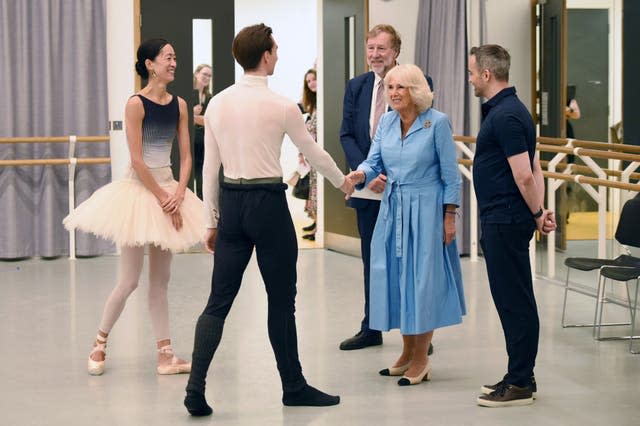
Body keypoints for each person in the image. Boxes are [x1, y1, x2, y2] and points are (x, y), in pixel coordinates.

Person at [183, 23, 354, 417]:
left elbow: (210, 169)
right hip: (268, 206)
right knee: (281, 301)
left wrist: (211, 220)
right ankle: (293, 386)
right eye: (275, 49)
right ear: (265, 55)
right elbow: (313, 152)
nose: (277, 55)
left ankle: (195, 389)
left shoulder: (218, 104)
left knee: (217, 302)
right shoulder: (282, 105)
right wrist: (344, 182)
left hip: (232, 205)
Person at [63, 39, 204, 376]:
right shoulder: (135, 104)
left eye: (175, 57)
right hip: (140, 193)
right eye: (167, 57)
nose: (173, 62)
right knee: (129, 280)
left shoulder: (180, 105)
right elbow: (137, 160)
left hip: (170, 191)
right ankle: (99, 343)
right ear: (149, 64)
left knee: (161, 281)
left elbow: (186, 155)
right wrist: (162, 197)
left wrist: (180, 193)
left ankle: (165, 355)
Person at [347, 64, 465, 386]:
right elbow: (374, 162)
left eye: (401, 87)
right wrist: (360, 175)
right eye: (390, 87)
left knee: (421, 282)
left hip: (426, 208)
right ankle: (406, 351)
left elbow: (450, 174)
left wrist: (449, 216)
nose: (394, 93)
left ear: (415, 90)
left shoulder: (436, 123)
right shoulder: (386, 121)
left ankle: (422, 358)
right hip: (393, 208)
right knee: (397, 279)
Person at [467, 44, 556, 407]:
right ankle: (519, 373)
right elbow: (534, 168)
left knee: (514, 301)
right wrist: (540, 208)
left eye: (472, 72)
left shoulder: (505, 116)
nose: (471, 79)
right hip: (506, 217)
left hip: (506, 218)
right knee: (512, 299)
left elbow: (523, 175)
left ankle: (520, 381)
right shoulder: (512, 111)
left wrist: (537, 214)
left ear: (487, 75)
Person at [339, 24, 434, 352]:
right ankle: (372, 327)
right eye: (371, 48)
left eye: (382, 48)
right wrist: (369, 172)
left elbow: (422, 136)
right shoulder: (356, 86)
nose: (375, 54)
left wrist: (389, 173)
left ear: (396, 52)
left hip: (405, 188)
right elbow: (346, 135)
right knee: (372, 259)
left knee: (409, 259)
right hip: (368, 189)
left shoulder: (417, 83)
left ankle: (418, 333)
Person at [298, 68, 318, 240]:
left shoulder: (322, 105)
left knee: (317, 192)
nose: (311, 83)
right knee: (313, 191)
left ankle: (318, 227)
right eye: (308, 81)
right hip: (311, 157)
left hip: (319, 155)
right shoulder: (312, 107)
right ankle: (316, 224)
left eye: (314, 79)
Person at [192, 64, 213, 199]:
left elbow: (210, 121)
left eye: (209, 76)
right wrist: (194, 116)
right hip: (190, 142)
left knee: (202, 182)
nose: (207, 78)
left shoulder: (210, 98)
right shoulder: (186, 93)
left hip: (204, 144)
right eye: (204, 74)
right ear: (196, 74)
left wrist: (193, 117)